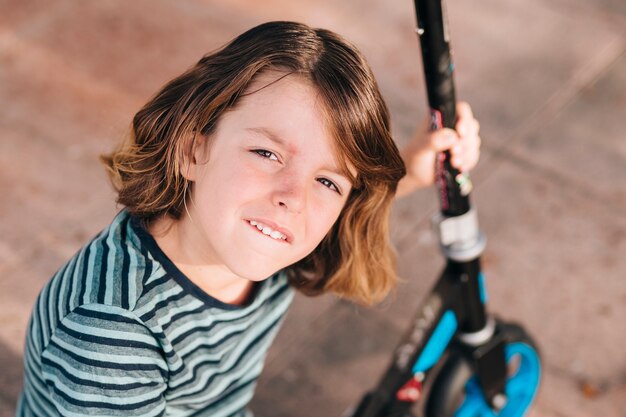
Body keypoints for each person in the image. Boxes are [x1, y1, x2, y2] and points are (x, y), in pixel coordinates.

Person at [16, 21, 481, 417]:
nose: (292, 199)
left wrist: (414, 168)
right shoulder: (109, 337)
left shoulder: (249, 236)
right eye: (266, 153)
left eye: (327, 182)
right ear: (192, 149)